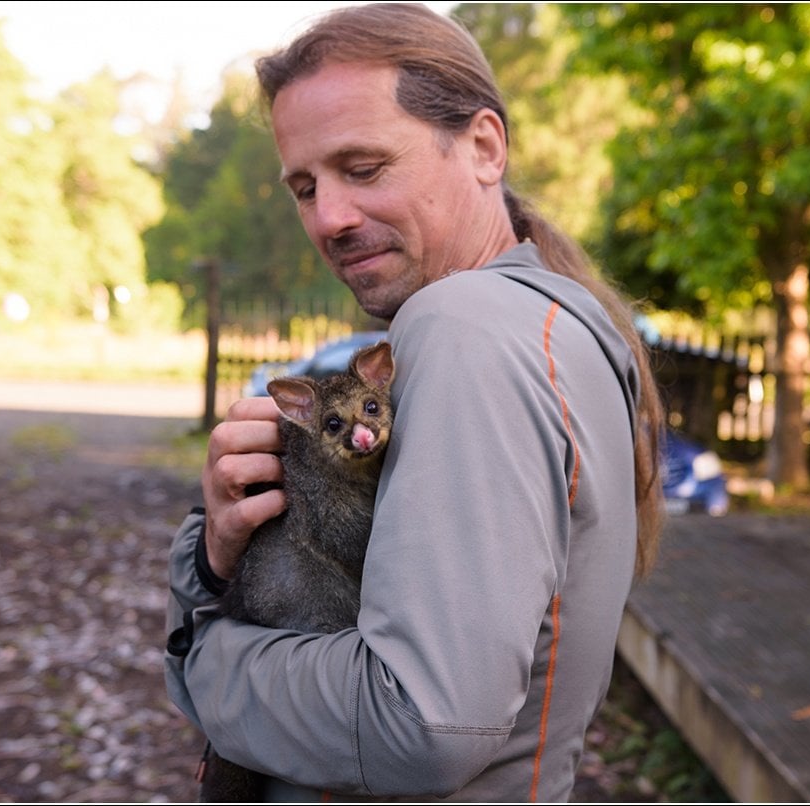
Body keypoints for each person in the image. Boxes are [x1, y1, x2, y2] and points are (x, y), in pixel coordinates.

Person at [164, 3, 665, 800]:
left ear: (483, 147)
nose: (329, 217)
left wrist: (201, 650)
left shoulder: (464, 323)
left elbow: (422, 724)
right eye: (304, 187)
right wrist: (221, 549)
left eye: (363, 169)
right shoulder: (546, 322)